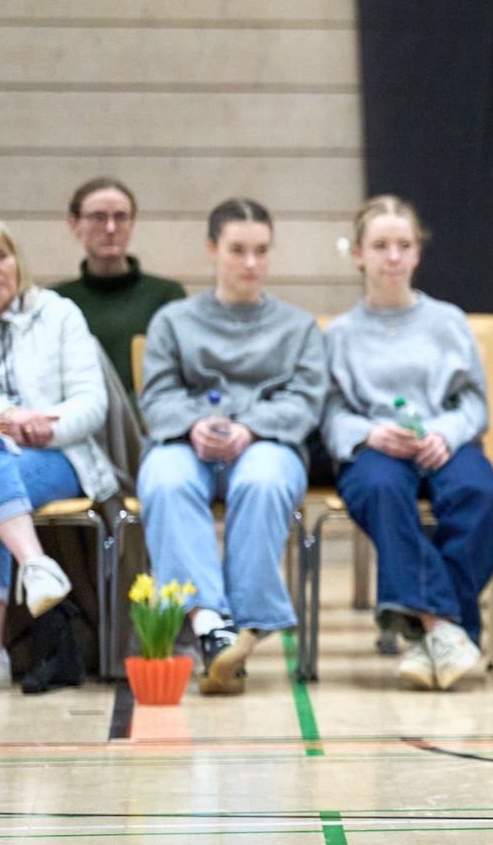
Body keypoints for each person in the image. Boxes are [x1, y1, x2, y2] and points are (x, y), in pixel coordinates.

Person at [137, 199, 327, 695]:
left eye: (261, 250)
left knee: (263, 482)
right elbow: (155, 398)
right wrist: (194, 424)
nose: (251, 262)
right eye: (238, 250)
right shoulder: (173, 321)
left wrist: (251, 428)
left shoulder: (299, 327)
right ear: (211, 249)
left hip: (266, 442)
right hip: (186, 442)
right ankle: (210, 626)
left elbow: (307, 402)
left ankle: (246, 622)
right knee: (165, 481)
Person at [322, 197, 493, 691]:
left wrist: (445, 432)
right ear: (358, 254)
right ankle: (446, 627)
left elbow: (474, 403)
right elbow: (330, 414)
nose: (393, 256)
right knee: (380, 490)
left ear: (417, 253)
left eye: (403, 245)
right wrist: (370, 433)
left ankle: (434, 634)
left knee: (484, 495)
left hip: (442, 442)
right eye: (380, 245)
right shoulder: (339, 334)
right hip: (376, 448)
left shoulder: (448, 321)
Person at [0, 218, 106, 693]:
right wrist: (3, 416)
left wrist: (46, 423)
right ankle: (36, 567)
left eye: (0, 256)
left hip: (56, 454)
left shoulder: (58, 314)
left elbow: (93, 402)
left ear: (17, 261)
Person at [54, 177, 186, 399]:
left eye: (121, 217)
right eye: (98, 217)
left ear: (132, 223)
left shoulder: (167, 296)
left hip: (149, 415)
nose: (110, 228)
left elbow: (179, 374)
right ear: (74, 224)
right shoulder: (57, 301)